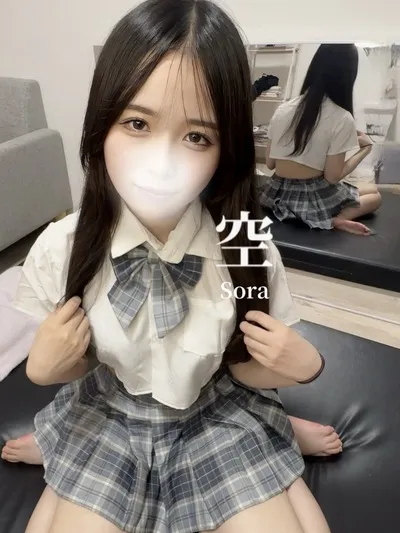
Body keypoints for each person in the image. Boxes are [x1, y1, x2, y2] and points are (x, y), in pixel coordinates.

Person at [1, 1, 332, 531]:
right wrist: (44, 369)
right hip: (111, 413)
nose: (161, 165)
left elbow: (244, 364)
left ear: (225, 150)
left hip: (213, 409)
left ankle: (277, 430)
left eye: (197, 136)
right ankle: (59, 439)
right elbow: (77, 361)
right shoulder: (63, 247)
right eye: (137, 123)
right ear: (101, 124)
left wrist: (306, 366)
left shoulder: (244, 245)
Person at [260, 44, 382, 236]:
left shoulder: (283, 109)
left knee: (367, 189)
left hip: (276, 193)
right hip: (310, 198)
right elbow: (332, 177)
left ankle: (328, 216)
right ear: (348, 75)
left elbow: (270, 163)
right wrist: (365, 149)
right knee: (375, 196)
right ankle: (337, 219)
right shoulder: (341, 117)